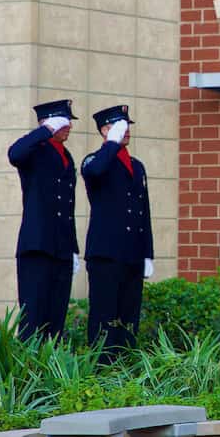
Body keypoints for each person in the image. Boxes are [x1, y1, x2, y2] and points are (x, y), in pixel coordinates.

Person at [81, 104, 154, 358]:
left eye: (127, 127)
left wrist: (148, 253)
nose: (126, 132)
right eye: (119, 127)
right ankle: (102, 370)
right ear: (105, 130)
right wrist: (111, 144)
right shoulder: (94, 161)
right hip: (106, 254)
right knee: (104, 319)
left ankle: (125, 370)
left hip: (132, 254)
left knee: (128, 320)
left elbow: (144, 211)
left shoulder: (137, 166)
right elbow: (96, 171)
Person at [8, 99, 80, 341]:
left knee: (55, 321)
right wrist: (44, 130)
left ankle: (51, 375)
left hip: (61, 247)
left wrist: (73, 249)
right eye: (63, 121)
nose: (69, 125)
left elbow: (67, 207)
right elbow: (14, 153)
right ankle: (28, 375)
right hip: (37, 246)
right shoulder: (35, 151)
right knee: (33, 319)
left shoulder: (66, 156)